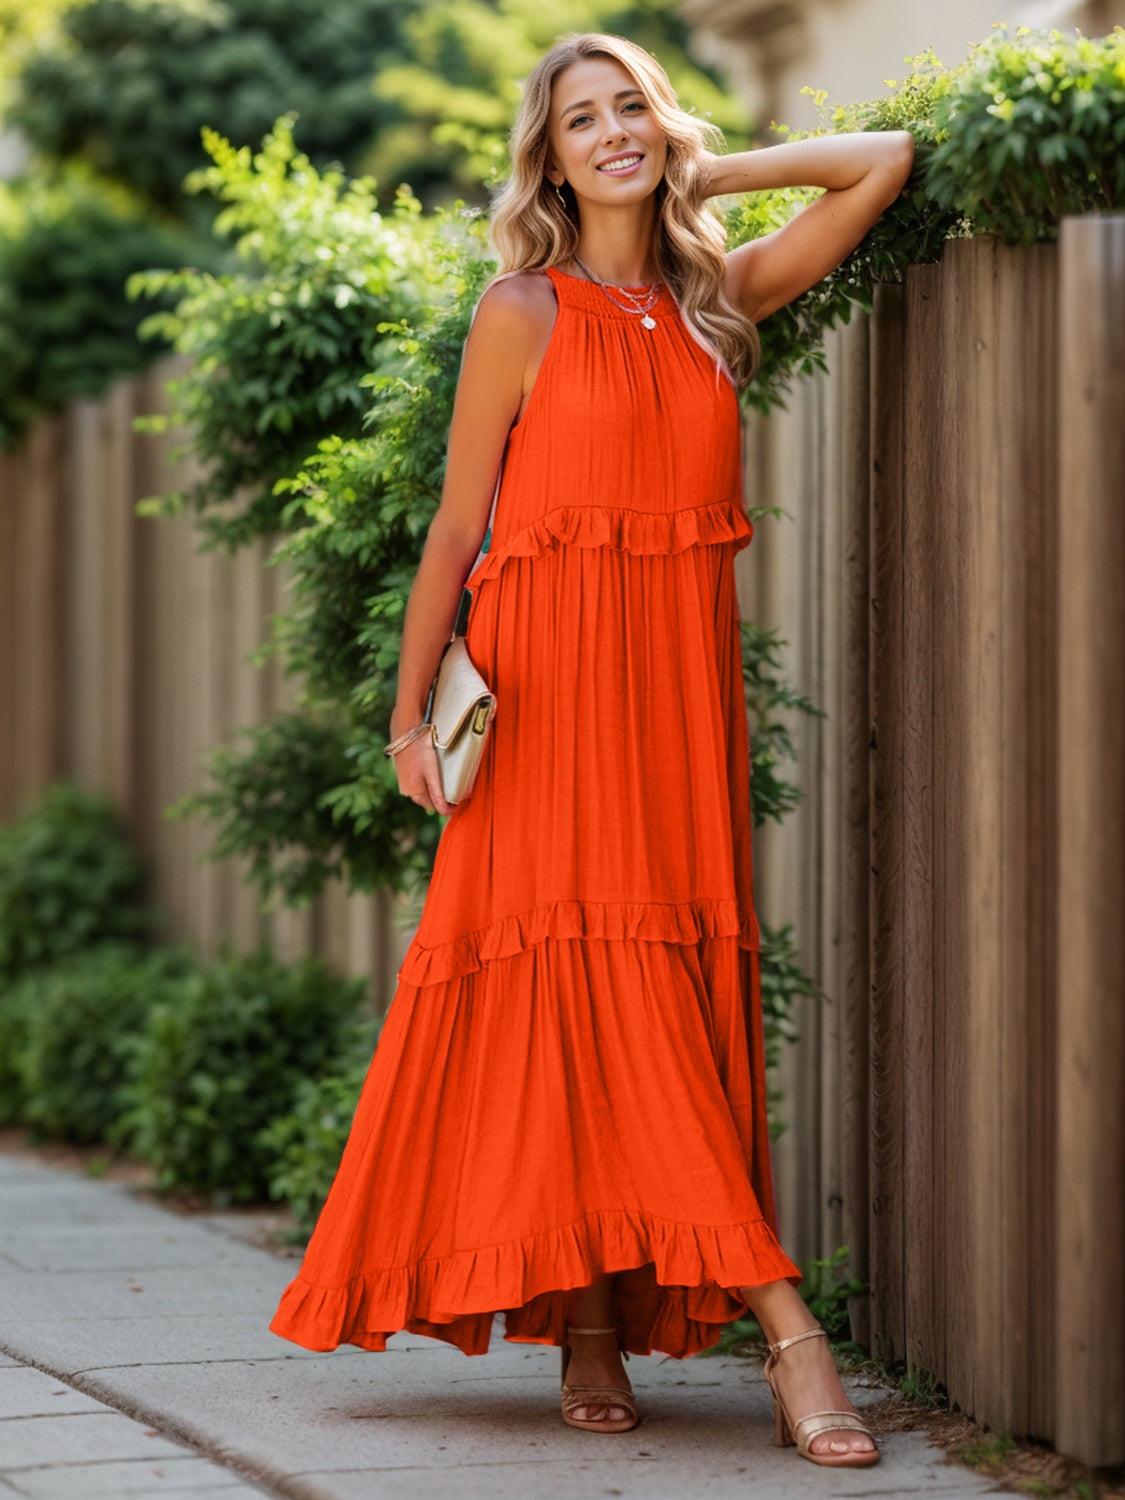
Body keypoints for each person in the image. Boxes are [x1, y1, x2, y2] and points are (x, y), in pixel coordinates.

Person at [270, 31, 914, 1470]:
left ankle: (589, 1322)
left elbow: (882, 163)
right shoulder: (521, 308)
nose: (613, 131)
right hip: (546, 696)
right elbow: (455, 528)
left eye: (632, 108)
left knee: (647, 995)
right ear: (545, 157)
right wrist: (402, 718)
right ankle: (786, 1330)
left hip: (670, 703)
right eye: (583, 118)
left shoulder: (712, 299)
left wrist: (703, 165)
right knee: (588, 985)